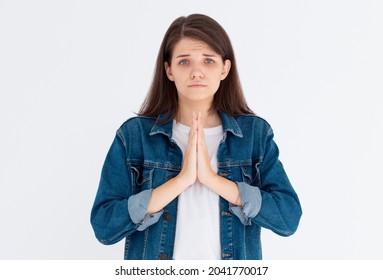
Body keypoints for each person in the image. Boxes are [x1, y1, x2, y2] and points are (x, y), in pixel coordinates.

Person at [90, 14, 302, 260]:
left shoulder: (254, 135)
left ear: (225, 68)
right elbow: (104, 226)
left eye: (209, 61)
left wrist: (212, 180)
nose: (197, 72)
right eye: (184, 62)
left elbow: (288, 218)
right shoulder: (135, 136)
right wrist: (181, 180)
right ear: (168, 69)